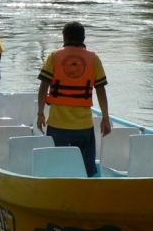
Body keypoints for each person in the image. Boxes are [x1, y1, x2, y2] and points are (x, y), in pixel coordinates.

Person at [37, 22, 112, 178]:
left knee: (57, 167)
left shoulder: (54, 56)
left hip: (58, 124)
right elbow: (101, 90)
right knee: (86, 171)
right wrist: (105, 117)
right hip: (83, 126)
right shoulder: (93, 58)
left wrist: (40, 114)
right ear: (83, 38)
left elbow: (43, 87)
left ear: (64, 37)